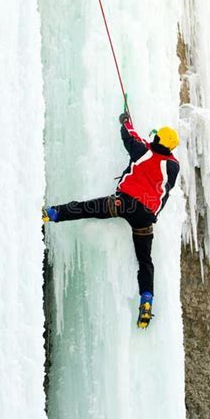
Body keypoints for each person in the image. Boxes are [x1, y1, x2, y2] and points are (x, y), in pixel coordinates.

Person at [43, 114, 180, 328]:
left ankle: (52, 213)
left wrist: (126, 121)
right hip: (145, 216)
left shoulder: (143, 151)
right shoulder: (173, 166)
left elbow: (129, 138)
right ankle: (146, 301)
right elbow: (164, 186)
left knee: (86, 208)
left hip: (124, 203)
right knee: (145, 261)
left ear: (156, 140)